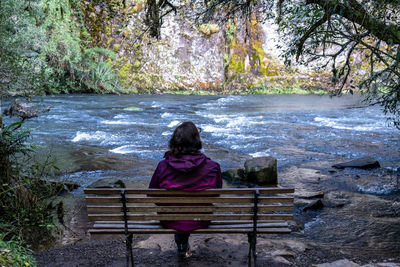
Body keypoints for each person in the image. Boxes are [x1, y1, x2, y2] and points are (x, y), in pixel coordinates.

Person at [149, 121, 222, 257]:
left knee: (178, 211)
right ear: (197, 141)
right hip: (201, 218)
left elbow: (152, 194)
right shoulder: (213, 166)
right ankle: (183, 242)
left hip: (170, 218)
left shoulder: (162, 166)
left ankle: (181, 242)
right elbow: (217, 194)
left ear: (174, 141)